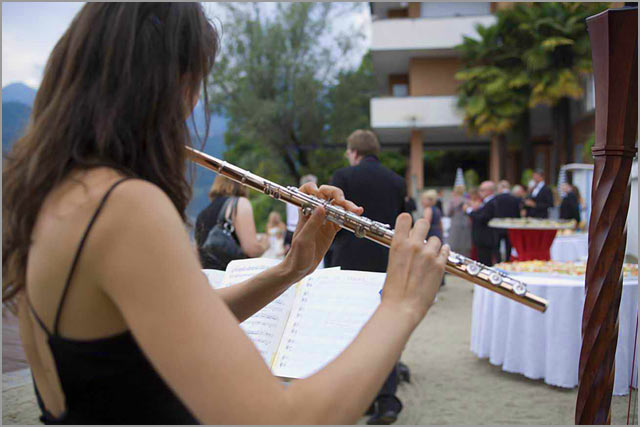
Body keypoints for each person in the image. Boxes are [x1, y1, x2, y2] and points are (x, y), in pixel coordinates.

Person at [1, 4, 450, 425]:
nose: (190, 108)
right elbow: (283, 418)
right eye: (194, 85)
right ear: (167, 86)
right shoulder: (123, 206)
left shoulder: (51, 194)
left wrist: (291, 269)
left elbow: (165, 326)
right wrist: (401, 305)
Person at [329, 129, 408, 425]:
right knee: (383, 329)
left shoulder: (343, 177)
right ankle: (386, 400)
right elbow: (403, 222)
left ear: (353, 152)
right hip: (387, 262)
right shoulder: (397, 181)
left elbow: (332, 220)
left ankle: (359, 397)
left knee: (350, 332)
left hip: (349, 261)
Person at [195, 175, 268, 269]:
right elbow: (251, 249)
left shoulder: (202, 214)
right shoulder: (239, 203)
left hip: (209, 276)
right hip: (231, 275)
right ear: (242, 184)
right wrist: (265, 245)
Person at [465, 181, 499, 266]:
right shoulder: (486, 202)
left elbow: (482, 218)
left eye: (482, 190)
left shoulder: (491, 202)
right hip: (482, 238)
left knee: (485, 262)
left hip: (485, 237)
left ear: (489, 191)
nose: (480, 192)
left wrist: (469, 211)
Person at [493, 180, 521, 262]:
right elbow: (517, 214)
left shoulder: (496, 198)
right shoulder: (515, 199)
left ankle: (498, 262)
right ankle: (507, 261)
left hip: (498, 225)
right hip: (510, 226)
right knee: (508, 246)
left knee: (496, 246)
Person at [446, 184, 472, 258]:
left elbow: (448, 213)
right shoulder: (467, 201)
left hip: (455, 224)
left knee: (454, 247)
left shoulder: (452, 201)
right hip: (465, 225)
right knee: (465, 247)